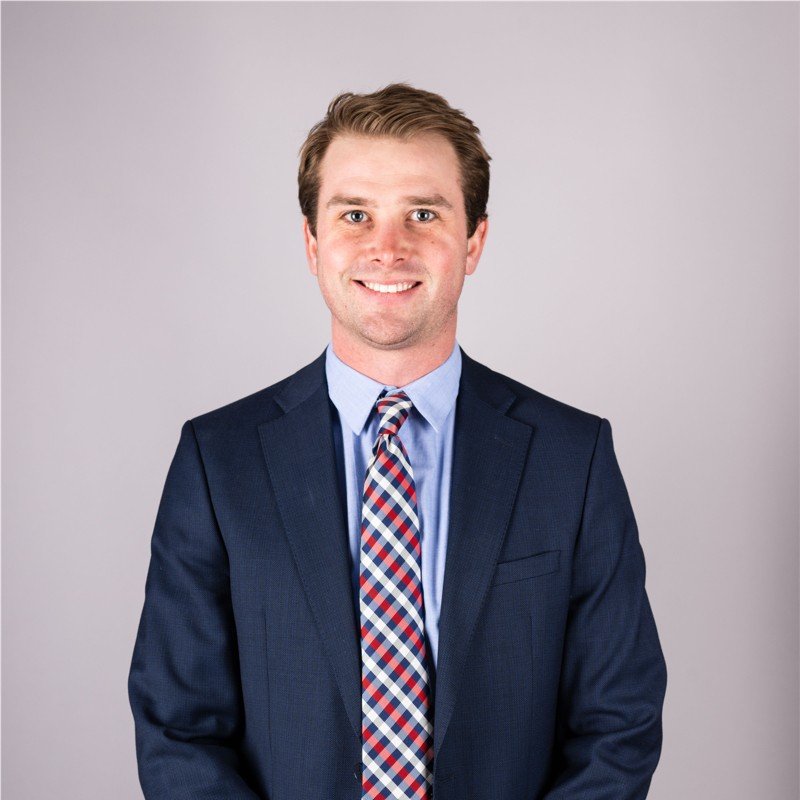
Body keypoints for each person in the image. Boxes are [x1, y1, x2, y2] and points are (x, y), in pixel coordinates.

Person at [128, 83, 667, 800]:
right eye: (355, 214)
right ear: (313, 242)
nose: (388, 248)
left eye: (423, 213)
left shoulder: (572, 459)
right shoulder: (217, 462)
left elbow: (619, 725)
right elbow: (177, 728)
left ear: (473, 241)